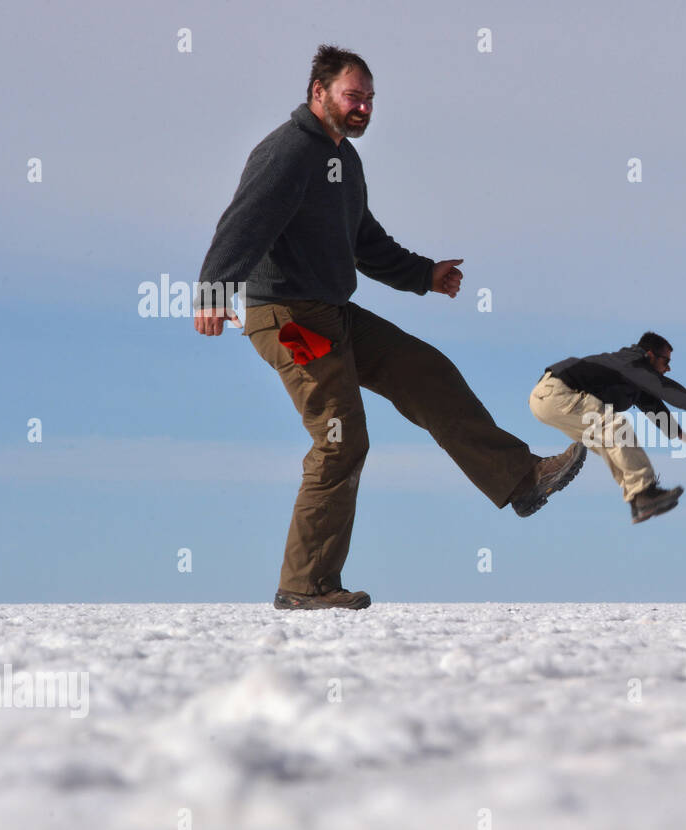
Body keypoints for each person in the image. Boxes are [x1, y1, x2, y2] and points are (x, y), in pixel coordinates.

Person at [192, 45, 585, 611]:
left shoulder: (342, 161)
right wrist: (212, 290)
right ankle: (305, 584)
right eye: (354, 96)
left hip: (332, 312)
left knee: (424, 370)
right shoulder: (288, 151)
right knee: (339, 436)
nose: (363, 108)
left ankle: (521, 480)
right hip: (286, 317)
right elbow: (244, 221)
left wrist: (425, 274)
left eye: (370, 100)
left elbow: (364, 242)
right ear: (318, 92)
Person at [530, 332, 686, 523]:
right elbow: (664, 387)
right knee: (617, 428)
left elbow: (652, 403)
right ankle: (644, 493)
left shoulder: (631, 377)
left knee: (610, 445)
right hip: (557, 392)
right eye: (666, 361)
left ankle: (638, 501)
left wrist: (678, 434)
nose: (668, 368)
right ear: (650, 355)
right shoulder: (631, 362)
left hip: (545, 401)